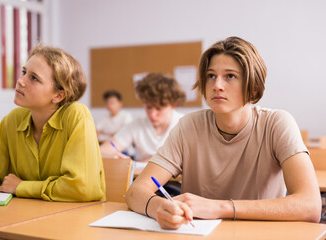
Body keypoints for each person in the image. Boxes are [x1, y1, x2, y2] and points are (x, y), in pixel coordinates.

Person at [126, 36, 321, 229]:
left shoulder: (277, 124)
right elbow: (136, 191)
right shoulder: (188, 126)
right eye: (211, 75)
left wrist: (221, 207)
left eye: (230, 76)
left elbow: (310, 206)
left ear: (252, 87)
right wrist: (160, 207)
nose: (217, 85)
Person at [0, 45, 105, 202]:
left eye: (34, 78)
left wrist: (21, 186)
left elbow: (83, 188)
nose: (20, 81)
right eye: (24, 72)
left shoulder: (77, 115)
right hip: (29, 215)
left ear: (59, 95)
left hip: (78, 218)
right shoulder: (13, 120)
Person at [100, 73, 186, 163]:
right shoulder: (137, 125)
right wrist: (112, 156)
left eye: (158, 109)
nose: (152, 114)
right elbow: (104, 150)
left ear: (173, 105)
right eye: (149, 107)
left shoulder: (185, 125)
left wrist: (152, 162)